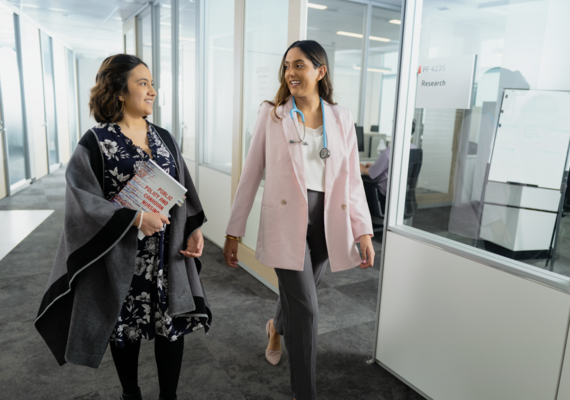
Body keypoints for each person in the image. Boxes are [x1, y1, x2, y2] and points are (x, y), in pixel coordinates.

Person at [35, 54, 212, 400]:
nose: (152, 91)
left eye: (152, 84)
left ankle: (169, 397)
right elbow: (80, 199)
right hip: (122, 255)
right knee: (124, 329)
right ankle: (130, 393)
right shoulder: (96, 141)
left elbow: (183, 187)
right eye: (142, 83)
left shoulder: (164, 137)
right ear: (119, 91)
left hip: (166, 255)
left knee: (170, 327)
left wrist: (192, 227)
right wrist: (133, 218)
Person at [222, 40, 374, 400]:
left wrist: (363, 229)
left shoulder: (340, 117)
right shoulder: (272, 114)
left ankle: (275, 326)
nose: (291, 72)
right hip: (285, 220)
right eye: (287, 65)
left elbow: (351, 178)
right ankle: (304, 392)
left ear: (320, 71)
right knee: (306, 307)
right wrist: (233, 230)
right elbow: (251, 173)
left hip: (328, 221)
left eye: (300, 65)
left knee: (300, 294)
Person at [360, 121, 417, 214]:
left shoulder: (390, 151)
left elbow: (372, 173)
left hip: (383, 194)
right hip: (403, 192)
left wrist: (361, 167)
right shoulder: (414, 149)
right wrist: (376, 167)